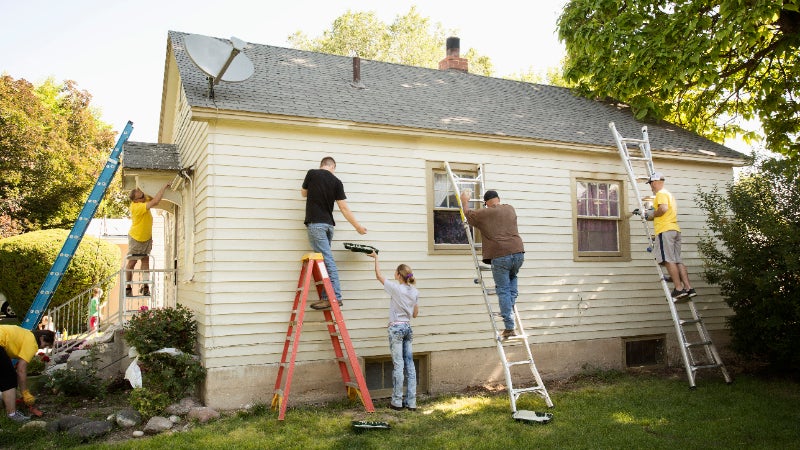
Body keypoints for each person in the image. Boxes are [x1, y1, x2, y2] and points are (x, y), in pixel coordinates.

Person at [301, 156, 367, 310]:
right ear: (333, 167)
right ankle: (326, 297)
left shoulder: (312, 173)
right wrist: (357, 227)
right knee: (325, 261)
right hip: (329, 226)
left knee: (327, 261)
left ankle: (335, 297)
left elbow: (303, 193)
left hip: (316, 224)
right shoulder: (337, 182)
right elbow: (344, 208)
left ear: (322, 165)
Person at [460, 189, 525, 339]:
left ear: (486, 203)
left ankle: (509, 327)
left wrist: (465, 200)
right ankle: (510, 310)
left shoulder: (485, 213)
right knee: (512, 282)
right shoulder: (510, 208)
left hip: (500, 255)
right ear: (498, 199)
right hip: (518, 253)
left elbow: (467, 215)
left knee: (503, 291)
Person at [367, 251, 419, 411]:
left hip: (396, 328)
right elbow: (415, 314)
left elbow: (378, 276)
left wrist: (376, 258)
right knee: (410, 365)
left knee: (398, 365)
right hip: (408, 328)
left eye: (395, 273)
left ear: (398, 275)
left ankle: (397, 402)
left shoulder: (396, 288)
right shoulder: (415, 291)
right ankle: (411, 403)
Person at [643, 172, 696, 301]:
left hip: (665, 230)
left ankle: (678, 289)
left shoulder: (660, 194)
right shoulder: (669, 194)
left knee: (668, 259)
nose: (651, 186)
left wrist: (651, 214)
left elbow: (663, 209)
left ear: (655, 182)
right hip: (675, 230)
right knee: (677, 260)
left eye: (650, 183)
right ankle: (688, 288)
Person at [0, 325, 55, 422]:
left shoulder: (26, 334)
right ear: (41, 338)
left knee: (5, 376)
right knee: (9, 379)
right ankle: (12, 415)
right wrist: (25, 393)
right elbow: (21, 370)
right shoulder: (32, 342)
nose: (42, 348)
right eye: (45, 345)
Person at [126, 183, 170, 298]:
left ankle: (145, 287)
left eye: (143, 195)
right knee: (132, 262)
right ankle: (128, 288)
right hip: (136, 238)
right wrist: (164, 186)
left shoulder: (142, 200)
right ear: (136, 200)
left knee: (145, 261)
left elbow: (153, 196)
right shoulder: (136, 207)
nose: (144, 197)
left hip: (146, 238)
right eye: (141, 197)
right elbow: (155, 201)